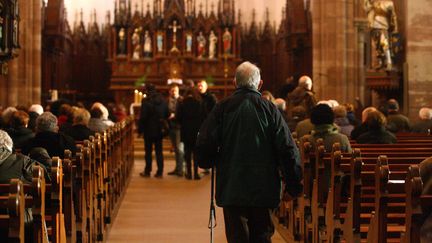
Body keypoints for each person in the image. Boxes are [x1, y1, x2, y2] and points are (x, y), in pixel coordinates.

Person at [196, 61, 303, 243]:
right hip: (264, 186)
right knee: (262, 236)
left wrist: (208, 160)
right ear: (260, 84)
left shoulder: (222, 108)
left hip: (232, 186)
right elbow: (287, 148)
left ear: (234, 83)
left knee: (237, 238)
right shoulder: (270, 110)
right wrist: (293, 186)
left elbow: (205, 141)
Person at [138, 83, 169, 178]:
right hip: (159, 129)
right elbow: (167, 114)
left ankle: (148, 171)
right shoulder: (163, 100)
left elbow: (143, 117)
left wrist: (140, 130)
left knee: (148, 152)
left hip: (148, 129)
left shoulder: (146, 101)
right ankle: (160, 172)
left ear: (147, 90)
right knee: (159, 151)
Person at [176, 88, 205, 180]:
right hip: (196, 131)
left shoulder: (182, 103)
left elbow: (178, 118)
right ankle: (196, 174)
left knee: (187, 153)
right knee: (196, 153)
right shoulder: (199, 103)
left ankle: (189, 173)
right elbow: (204, 117)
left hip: (186, 131)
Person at [363, 0, 398, 70]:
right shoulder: (373, 2)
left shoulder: (389, 3)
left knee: (384, 44)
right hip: (374, 26)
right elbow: (366, 9)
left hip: (383, 25)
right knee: (377, 46)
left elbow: (394, 16)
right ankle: (381, 62)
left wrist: (396, 28)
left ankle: (389, 62)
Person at [166, 84, 185, 177]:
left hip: (179, 127)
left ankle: (181, 170)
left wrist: (175, 116)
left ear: (178, 91)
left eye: (175, 90)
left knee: (179, 149)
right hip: (171, 126)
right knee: (175, 149)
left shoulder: (182, 100)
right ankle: (177, 168)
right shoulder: (167, 100)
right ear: (170, 91)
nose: (174, 92)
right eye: (172, 90)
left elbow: (183, 114)